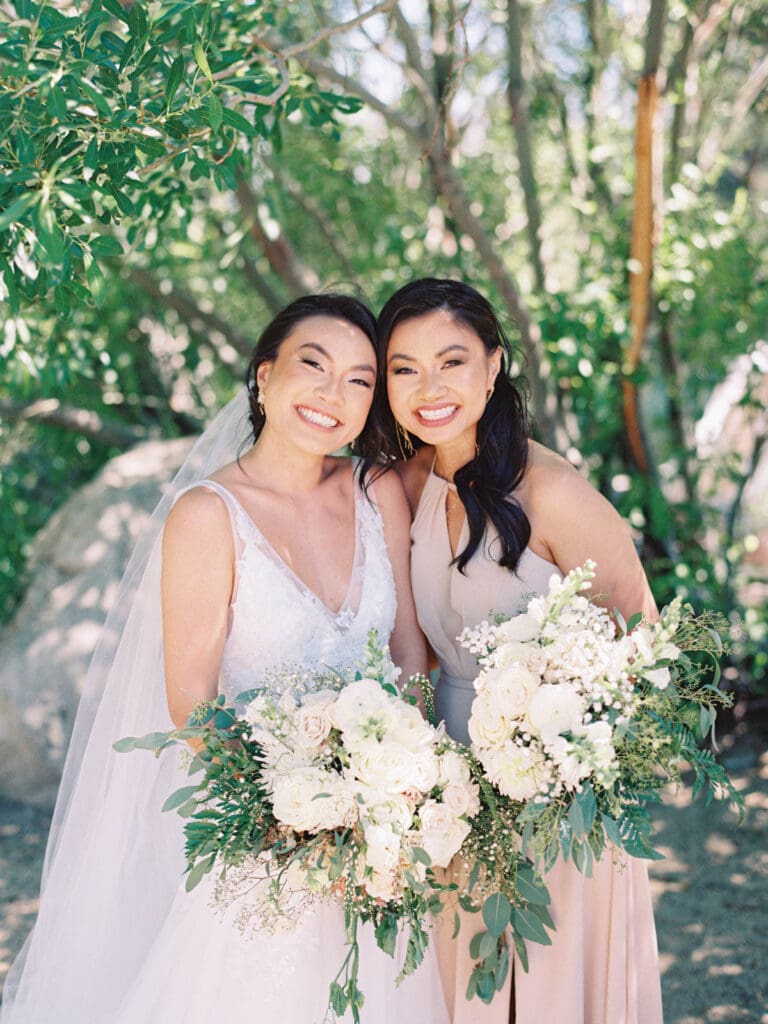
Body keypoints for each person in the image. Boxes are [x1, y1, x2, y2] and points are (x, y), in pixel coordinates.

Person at [2, 295, 449, 1024]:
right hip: (265, 846)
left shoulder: (375, 490)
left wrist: (401, 790)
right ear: (264, 376)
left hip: (382, 845)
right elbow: (194, 702)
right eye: (314, 366)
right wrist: (293, 823)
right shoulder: (207, 514)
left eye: (360, 380)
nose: (333, 396)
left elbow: (408, 652)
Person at [363, 278, 663, 1024]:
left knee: (556, 981)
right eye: (405, 368)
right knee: (465, 978)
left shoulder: (553, 490)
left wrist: (565, 747)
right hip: (448, 787)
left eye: (453, 361)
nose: (429, 387)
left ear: (494, 367)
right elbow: (411, 649)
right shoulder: (403, 484)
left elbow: (645, 640)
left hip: (557, 785)